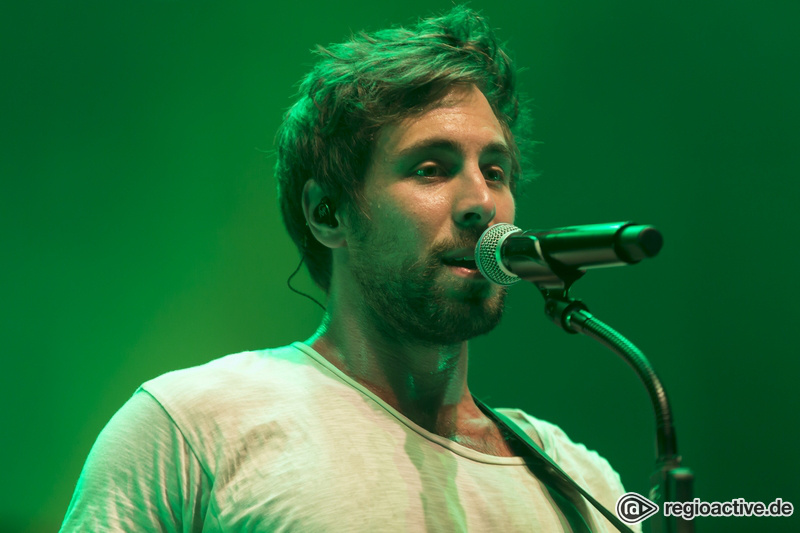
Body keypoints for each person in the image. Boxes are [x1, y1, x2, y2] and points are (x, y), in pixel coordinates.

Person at [60, 6, 637, 532]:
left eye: (495, 170)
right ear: (327, 213)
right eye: (431, 168)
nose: (480, 202)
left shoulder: (584, 482)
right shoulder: (193, 426)